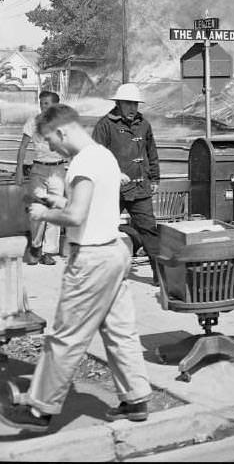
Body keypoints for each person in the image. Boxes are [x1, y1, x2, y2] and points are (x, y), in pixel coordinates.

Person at [0, 104, 152, 433]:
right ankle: (136, 398)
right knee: (120, 331)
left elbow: (76, 216)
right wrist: (55, 202)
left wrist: (43, 214)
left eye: (51, 140)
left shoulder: (83, 162)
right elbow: (90, 206)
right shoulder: (104, 156)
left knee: (65, 336)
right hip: (114, 252)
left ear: (62, 131)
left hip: (91, 260)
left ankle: (39, 410)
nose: (52, 148)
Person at [91, 84, 161, 278]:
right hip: (112, 189)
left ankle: (160, 276)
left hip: (140, 188)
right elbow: (96, 157)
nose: (132, 108)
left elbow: (152, 153)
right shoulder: (105, 125)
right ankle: (100, 273)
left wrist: (155, 178)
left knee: (149, 230)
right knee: (104, 230)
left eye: (135, 104)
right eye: (128, 103)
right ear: (118, 103)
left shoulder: (144, 124)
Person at [16, 90, 65, 265]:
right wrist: (19, 170)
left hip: (58, 170)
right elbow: (23, 147)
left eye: (47, 104)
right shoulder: (33, 122)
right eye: (41, 103)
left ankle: (49, 252)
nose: (43, 107)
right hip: (38, 169)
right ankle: (36, 247)